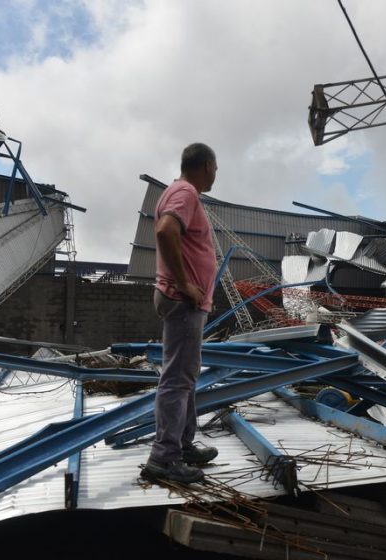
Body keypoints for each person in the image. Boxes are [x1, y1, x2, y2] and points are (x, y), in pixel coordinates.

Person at [140, 143, 220, 484]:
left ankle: (183, 444)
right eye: (215, 168)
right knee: (176, 380)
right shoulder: (185, 192)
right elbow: (165, 231)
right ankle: (164, 458)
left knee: (184, 377)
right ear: (205, 165)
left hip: (182, 301)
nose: (216, 174)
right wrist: (186, 283)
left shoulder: (179, 192)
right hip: (183, 301)